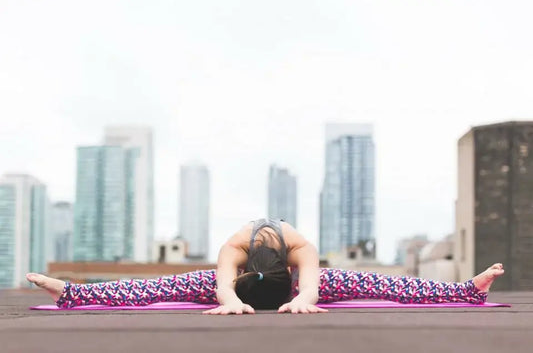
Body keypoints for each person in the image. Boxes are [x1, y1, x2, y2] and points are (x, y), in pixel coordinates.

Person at [26, 219, 504, 314]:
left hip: (294, 283)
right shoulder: (231, 252)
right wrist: (231, 301)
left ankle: (466, 290)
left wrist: (302, 301)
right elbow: (223, 291)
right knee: (160, 286)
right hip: (248, 281)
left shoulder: (301, 251)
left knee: (378, 282)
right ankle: (68, 292)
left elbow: (313, 289)